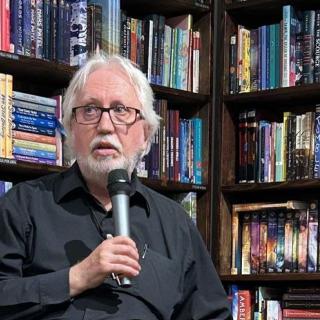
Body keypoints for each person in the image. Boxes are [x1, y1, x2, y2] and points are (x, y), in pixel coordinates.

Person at [0, 52, 231, 319]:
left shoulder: (174, 222)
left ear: (145, 135)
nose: (105, 126)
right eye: (90, 110)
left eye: (121, 110)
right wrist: (77, 277)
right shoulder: (22, 205)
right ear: (70, 129)